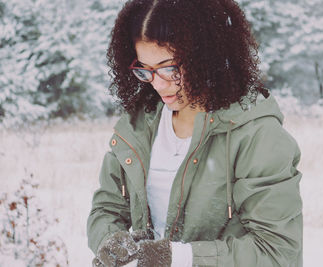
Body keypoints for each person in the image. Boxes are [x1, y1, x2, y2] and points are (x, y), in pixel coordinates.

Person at [87, 0, 303, 266]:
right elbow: (106, 209)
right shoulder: (138, 126)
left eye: (169, 68)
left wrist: (177, 257)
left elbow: (277, 252)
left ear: (206, 56)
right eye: (145, 70)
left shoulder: (257, 135)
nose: (157, 83)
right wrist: (112, 245)